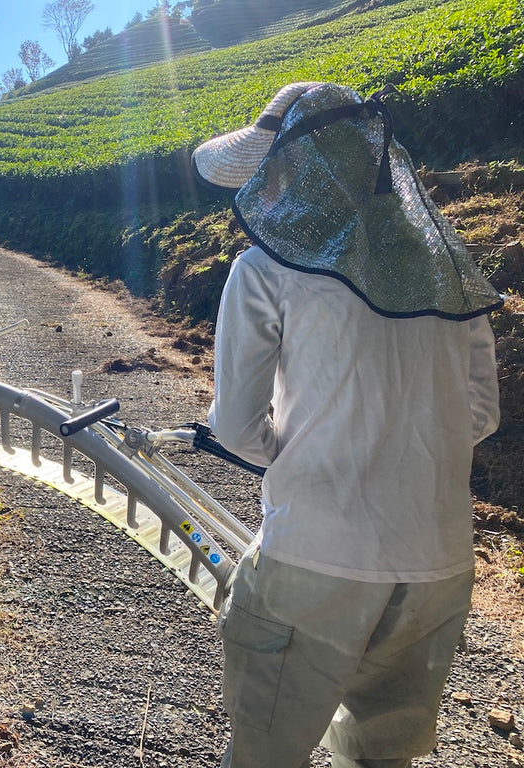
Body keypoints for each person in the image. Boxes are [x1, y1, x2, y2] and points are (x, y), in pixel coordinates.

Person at [192, 82, 502, 767]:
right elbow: (480, 412)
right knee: (380, 758)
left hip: (317, 559)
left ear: (294, 170)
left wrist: (309, 450)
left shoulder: (265, 269)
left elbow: (238, 428)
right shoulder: (446, 266)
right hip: (439, 562)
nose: (264, 191)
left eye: (268, 173)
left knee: (268, 752)